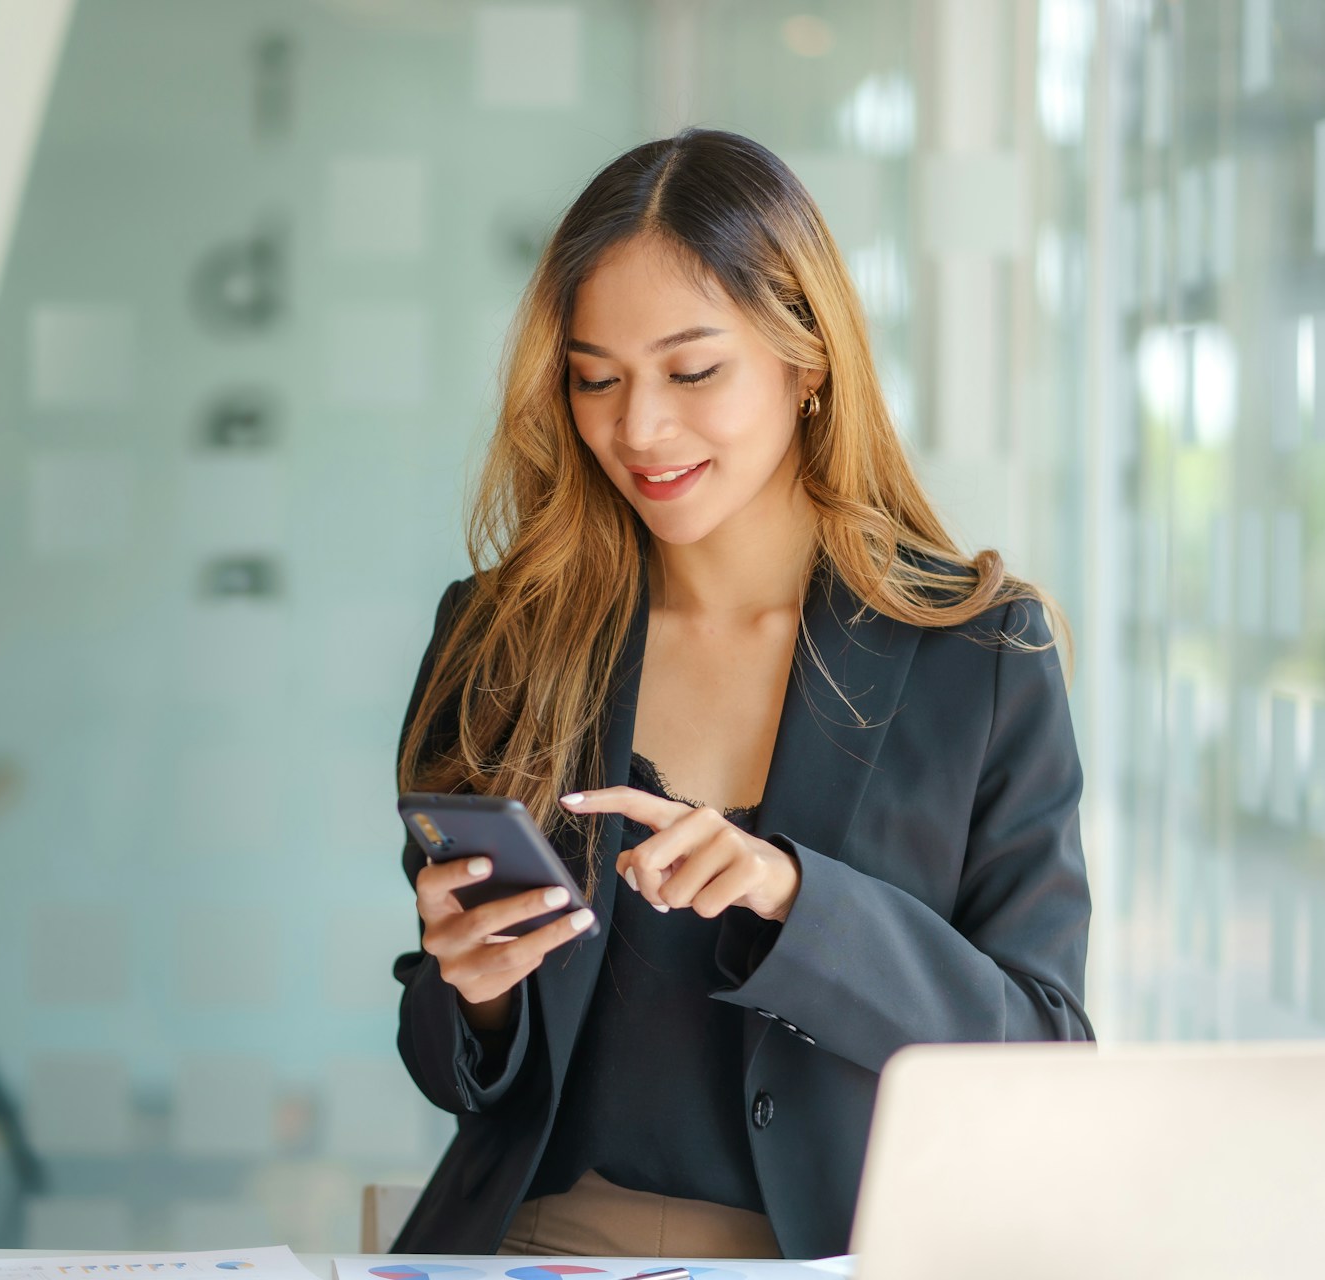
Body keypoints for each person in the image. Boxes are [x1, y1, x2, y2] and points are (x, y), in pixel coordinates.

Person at [388, 127, 1093, 1260]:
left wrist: (793, 896)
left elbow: (1044, 1052)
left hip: (860, 1253)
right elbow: (458, 1070)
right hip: (549, 1241)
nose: (640, 428)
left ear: (805, 358)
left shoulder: (978, 655)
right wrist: (468, 992)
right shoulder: (501, 642)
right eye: (596, 378)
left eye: (693, 369)